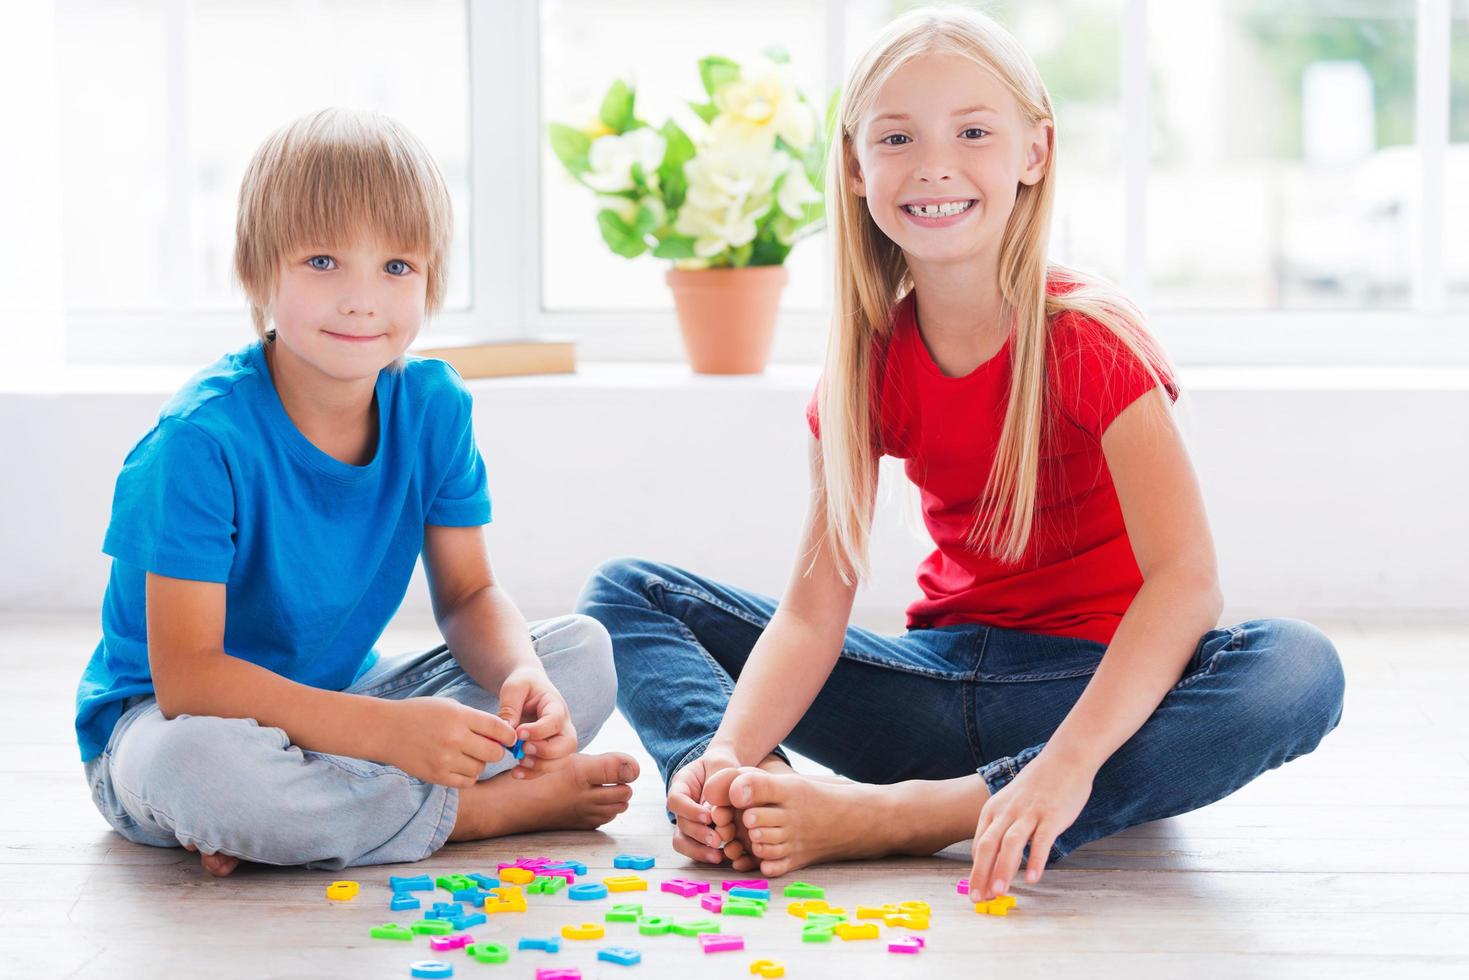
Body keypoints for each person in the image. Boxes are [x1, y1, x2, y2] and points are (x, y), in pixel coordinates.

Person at [578, 7, 1344, 903]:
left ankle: (918, 814)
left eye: (972, 131)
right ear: (858, 168)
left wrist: (1064, 766)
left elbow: (1186, 585)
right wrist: (725, 754)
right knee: (625, 594)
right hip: (931, 687)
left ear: (1033, 152)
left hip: (1080, 698)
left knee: (1296, 666)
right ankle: (751, 802)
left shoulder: (1090, 339)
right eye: (897, 137)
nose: (934, 164)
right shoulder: (866, 360)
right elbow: (813, 610)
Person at [75, 107, 637, 874]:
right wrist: (385, 738)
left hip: (344, 694)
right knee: (200, 769)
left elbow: (470, 594)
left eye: (396, 268)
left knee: (583, 652)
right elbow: (188, 678)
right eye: (322, 262)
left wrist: (519, 676)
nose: (361, 299)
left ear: (430, 279)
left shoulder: (435, 407)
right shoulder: (199, 442)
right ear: (256, 269)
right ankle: (473, 813)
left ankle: (296, 823)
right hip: (173, 723)